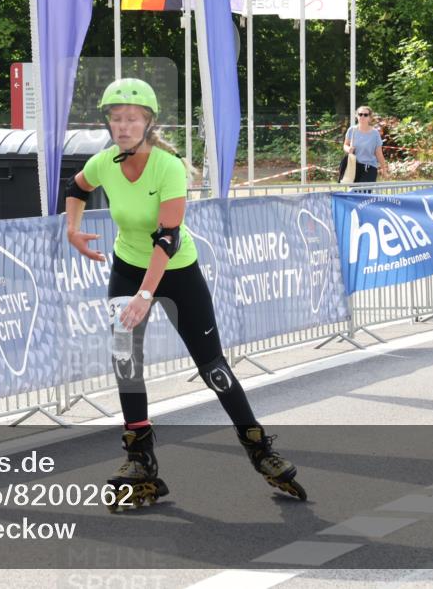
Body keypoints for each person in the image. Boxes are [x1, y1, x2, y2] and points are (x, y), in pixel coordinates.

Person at [64, 78, 306, 507]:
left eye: (132, 119)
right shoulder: (104, 162)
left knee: (212, 367)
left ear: (148, 122)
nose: (123, 127)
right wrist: (73, 231)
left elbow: (168, 239)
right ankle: (140, 459)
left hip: (175, 271)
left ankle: (260, 450)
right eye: (116, 119)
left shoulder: (167, 166)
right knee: (125, 360)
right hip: (126, 267)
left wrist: (144, 295)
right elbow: (77, 187)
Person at [342, 105, 389, 183]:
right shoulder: (351, 130)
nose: (362, 116)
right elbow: (345, 145)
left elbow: (379, 154)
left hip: (370, 168)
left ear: (370, 118)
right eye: (360, 114)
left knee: (364, 193)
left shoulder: (375, 133)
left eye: (365, 115)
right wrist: (348, 149)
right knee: (354, 194)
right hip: (354, 167)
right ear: (357, 116)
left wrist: (384, 170)